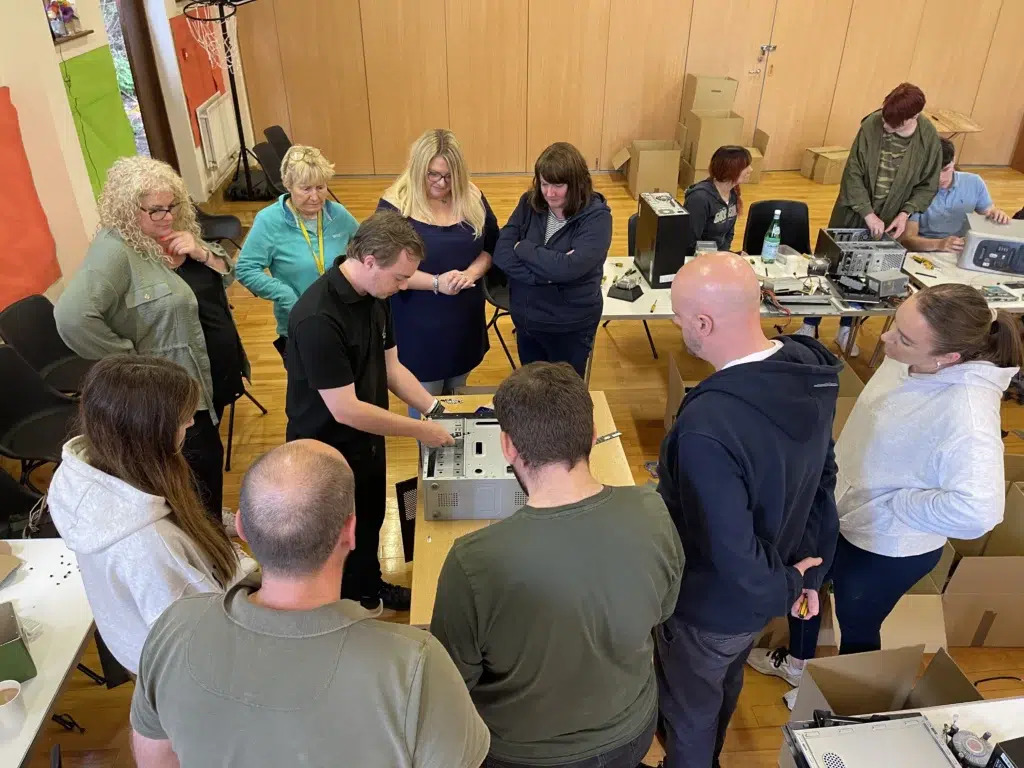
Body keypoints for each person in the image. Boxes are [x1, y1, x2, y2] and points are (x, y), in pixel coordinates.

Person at [129, 440, 490, 768]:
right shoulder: (416, 664)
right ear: (350, 532)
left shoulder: (174, 627)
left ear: (241, 527)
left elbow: (155, 759)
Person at [748, 284, 1022, 707]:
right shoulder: (910, 357)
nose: (886, 338)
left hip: (886, 546)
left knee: (857, 623)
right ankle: (798, 664)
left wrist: (897, 504)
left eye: (904, 339)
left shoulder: (967, 415)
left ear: (947, 358)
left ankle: (842, 699)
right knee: (806, 583)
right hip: (840, 508)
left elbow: (980, 512)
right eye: (895, 325)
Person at [431, 362, 683, 768]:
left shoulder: (472, 561)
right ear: (593, 434)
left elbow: (454, 678)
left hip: (526, 755)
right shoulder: (653, 511)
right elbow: (665, 611)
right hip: (631, 733)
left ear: (507, 446)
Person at [656, 253, 841, 768]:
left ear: (703, 323)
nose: (676, 325)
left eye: (678, 317)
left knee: (689, 711)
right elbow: (822, 480)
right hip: (763, 593)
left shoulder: (707, 425)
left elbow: (730, 551)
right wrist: (803, 576)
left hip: (710, 607)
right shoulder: (808, 369)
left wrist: (787, 584)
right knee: (726, 678)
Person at [54, 156, 247, 524]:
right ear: (128, 209)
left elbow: (226, 275)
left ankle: (205, 522)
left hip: (208, 378)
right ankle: (203, 537)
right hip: (172, 388)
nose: (167, 216)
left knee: (201, 466)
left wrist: (202, 251)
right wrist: (130, 359)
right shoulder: (115, 250)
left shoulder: (176, 231)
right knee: (196, 464)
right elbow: (72, 318)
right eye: (155, 210)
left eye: (172, 205)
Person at [285, 210, 455, 612]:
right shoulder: (317, 318)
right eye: (400, 277)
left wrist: (435, 409)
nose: (404, 286)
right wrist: (420, 430)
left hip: (368, 440)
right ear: (369, 261)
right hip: (326, 450)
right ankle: (342, 605)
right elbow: (345, 409)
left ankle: (368, 587)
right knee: (337, 536)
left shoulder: (378, 296)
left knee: (370, 519)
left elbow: (392, 368)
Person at [47, 356, 240, 674]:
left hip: (132, 637)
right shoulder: (151, 546)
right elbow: (200, 643)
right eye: (183, 418)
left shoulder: (80, 474)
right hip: (179, 666)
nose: (191, 423)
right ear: (150, 432)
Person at [797, 83, 942, 355]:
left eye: (893, 124)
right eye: (885, 120)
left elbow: (927, 184)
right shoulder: (871, 125)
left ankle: (847, 328)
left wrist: (906, 212)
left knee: (868, 273)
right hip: (853, 210)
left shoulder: (928, 138)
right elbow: (852, 173)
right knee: (829, 263)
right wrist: (867, 212)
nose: (885, 126)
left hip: (891, 215)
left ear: (913, 117)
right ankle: (810, 323)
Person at [378, 129, 499, 411]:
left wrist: (471, 273)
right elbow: (385, 267)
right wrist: (436, 283)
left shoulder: (471, 195)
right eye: (432, 174)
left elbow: (492, 245)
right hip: (419, 326)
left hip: (464, 320)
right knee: (426, 406)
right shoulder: (395, 205)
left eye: (449, 176)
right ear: (418, 168)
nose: (442, 183)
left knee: (458, 395)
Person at [493, 142, 612, 377]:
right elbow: (502, 253)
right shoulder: (528, 204)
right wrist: (549, 274)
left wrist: (523, 248)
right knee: (533, 386)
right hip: (527, 320)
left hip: (570, 326)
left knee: (565, 390)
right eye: (544, 184)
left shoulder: (597, 219)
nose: (549, 193)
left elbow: (568, 269)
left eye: (558, 185)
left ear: (577, 183)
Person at [236, 145, 359, 362]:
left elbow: (364, 250)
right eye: (306, 189)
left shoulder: (338, 215)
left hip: (343, 321)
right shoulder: (269, 220)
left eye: (320, 187)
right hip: (300, 325)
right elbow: (246, 269)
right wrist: (284, 295)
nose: (315, 197)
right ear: (288, 185)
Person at [900, 138, 1011, 253]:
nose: (940, 178)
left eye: (945, 169)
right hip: (926, 250)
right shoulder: (914, 189)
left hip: (962, 248)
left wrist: (996, 213)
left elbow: (988, 211)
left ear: (954, 160)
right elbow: (908, 240)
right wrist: (939, 244)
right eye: (933, 172)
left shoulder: (974, 182)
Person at [682, 146, 752, 251]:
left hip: (718, 255)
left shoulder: (732, 193)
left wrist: (726, 254)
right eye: (746, 166)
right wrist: (719, 257)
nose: (750, 170)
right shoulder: (699, 199)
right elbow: (690, 242)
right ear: (730, 169)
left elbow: (729, 234)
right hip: (699, 256)